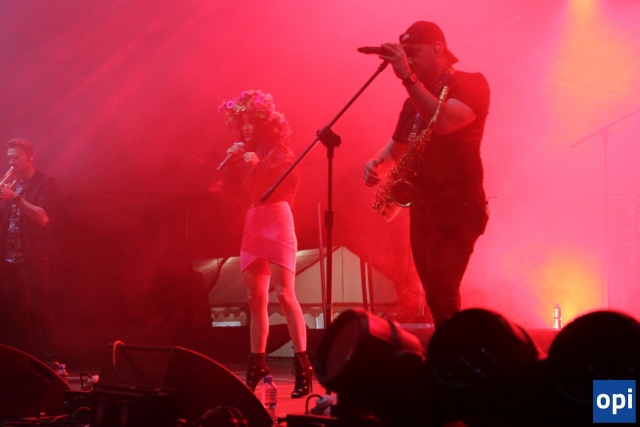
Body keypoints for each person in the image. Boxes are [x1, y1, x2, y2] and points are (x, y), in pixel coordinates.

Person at [363, 21, 490, 327]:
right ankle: (453, 348)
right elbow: (394, 151)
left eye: (413, 52)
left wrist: (407, 79)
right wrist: (376, 163)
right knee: (435, 297)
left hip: (460, 203)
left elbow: (444, 122)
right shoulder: (412, 103)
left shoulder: (471, 83)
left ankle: (457, 351)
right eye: (404, 54)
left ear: (437, 48)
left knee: (443, 291)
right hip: (424, 208)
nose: (408, 60)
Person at [218, 89, 312, 398]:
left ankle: (303, 365)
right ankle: (256, 364)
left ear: (263, 124)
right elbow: (233, 194)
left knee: (284, 293)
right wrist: (233, 164)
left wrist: (259, 164)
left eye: (250, 123)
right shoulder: (243, 154)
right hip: (254, 221)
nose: (245, 128)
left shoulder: (279, 151)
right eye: (242, 123)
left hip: (277, 219)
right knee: (254, 298)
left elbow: (289, 183)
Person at [0, 138, 62, 365]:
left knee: (41, 311)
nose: (11, 162)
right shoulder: (13, 185)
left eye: (16, 157)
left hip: (35, 259)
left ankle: (55, 363)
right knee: (18, 315)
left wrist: (15, 198)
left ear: (30, 157)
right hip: (11, 260)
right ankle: (21, 365)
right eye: (9, 158)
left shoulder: (45, 183)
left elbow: (42, 218)